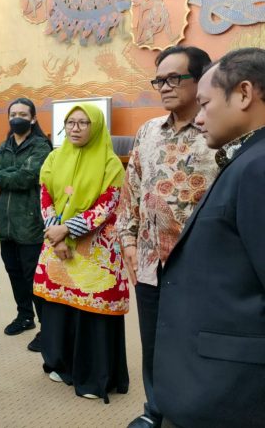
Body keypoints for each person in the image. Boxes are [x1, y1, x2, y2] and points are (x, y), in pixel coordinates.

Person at [154, 48, 265, 428]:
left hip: (232, 389)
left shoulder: (259, 167)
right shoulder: (246, 159)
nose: (199, 119)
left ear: (245, 94)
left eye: (204, 104)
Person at [116, 45, 217, 428]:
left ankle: (191, 413)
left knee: (196, 344)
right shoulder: (148, 131)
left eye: (175, 78)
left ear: (202, 78)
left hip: (200, 266)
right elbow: (132, 194)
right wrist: (128, 245)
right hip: (149, 264)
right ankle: (154, 409)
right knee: (154, 345)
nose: (165, 86)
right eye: (160, 80)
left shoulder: (218, 131)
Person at [33, 103, 129, 403]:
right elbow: (45, 194)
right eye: (70, 123)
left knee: (92, 313)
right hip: (57, 244)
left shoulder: (110, 163)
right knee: (59, 308)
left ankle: (93, 376)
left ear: (96, 126)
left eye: (82, 123)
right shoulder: (54, 156)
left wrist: (68, 230)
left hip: (95, 250)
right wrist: (55, 232)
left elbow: (106, 205)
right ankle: (60, 364)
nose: (75, 128)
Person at [0, 98, 51, 351]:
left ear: (33, 118)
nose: (17, 118)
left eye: (23, 114)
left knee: (33, 276)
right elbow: (5, 174)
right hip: (6, 222)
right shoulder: (4, 146)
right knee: (14, 272)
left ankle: (47, 328)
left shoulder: (41, 146)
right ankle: (24, 316)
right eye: (13, 113)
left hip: (30, 221)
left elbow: (27, 178)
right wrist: (3, 177)